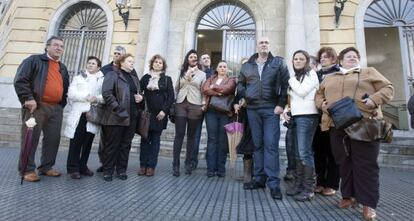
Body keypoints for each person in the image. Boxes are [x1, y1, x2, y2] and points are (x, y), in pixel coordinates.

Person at [315, 47, 394, 220]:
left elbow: (388, 88)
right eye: (348, 56)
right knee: (344, 162)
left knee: (366, 164)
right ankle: (348, 196)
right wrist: (322, 105)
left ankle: (368, 204)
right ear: (340, 60)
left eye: (355, 56)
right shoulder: (329, 77)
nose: (352, 58)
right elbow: (318, 95)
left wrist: (374, 100)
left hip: (364, 124)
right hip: (337, 126)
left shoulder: (368, 72)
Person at [234, 36, 289, 200]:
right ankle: (259, 179)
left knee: (271, 145)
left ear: (269, 45)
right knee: (257, 145)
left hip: (271, 108)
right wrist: (245, 95)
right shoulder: (246, 65)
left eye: (266, 42)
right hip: (252, 109)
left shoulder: (278, 62)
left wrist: (281, 103)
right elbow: (240, 84)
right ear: (257, 46)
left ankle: (274, 184)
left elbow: (285, 84)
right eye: (261, 43)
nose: (264, 45)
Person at [14, 36, 69, 182]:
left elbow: (65, 88)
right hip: (36, 106)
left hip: (56, 108)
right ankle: (27, 170)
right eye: (56, 45)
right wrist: (28, 98)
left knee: (53, 139)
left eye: (61, 46)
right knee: (30, 139)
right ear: (47, 47)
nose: (59, 48)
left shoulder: (62, 68)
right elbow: (20, 80)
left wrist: (61, 104)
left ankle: (46, 167)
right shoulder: (33, 60)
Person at [100, 53, 143, 181]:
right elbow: (106, 93)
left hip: (132, 116)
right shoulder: (112, 74)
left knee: (125, 145)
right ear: (122, 62)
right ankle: (108, 170)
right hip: (116, 116)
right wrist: (117, 108)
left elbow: (138, 94)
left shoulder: (134, 78)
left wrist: (141, 97)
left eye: (133, 62)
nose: (132, 64)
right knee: (112, 144)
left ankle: (121, 170)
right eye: (130, 61)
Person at [284, 50, 319, 201]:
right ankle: (299, 185)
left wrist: (290, 80)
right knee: (297, 153)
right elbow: (292, 99)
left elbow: (303, 91)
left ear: (306, 61)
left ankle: (308, 188)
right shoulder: (296, 77)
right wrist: (286, 110)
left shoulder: (311, 75)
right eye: (295, 59)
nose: (297, 61)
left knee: (305, 152)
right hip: (296, 117)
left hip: (308, 116)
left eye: (301, 59)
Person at [63, 56, 104, 179]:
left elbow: (105, 95)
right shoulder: (78, 78)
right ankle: (72, 168)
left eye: (93, 63)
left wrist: (97, 98)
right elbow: (71, 94)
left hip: (92, 114)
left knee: (87, 142)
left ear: (98, 67)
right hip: (79, 114)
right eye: (89, 63)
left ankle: (83, 166)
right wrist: (86, 97)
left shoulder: (102, 80)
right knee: (76, 141)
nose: (90, 65)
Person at [138, 54, 174, 177]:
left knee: (155, 141)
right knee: (144, 140)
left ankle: (151, 167)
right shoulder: (145, 78)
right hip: (147, 114)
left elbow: (170, 97)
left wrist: (164, 111)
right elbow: (139, 92)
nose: (158, 64)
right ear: (152, 63)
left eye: (160, 63)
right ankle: (143, 165)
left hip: (160, 115)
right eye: (156, 62)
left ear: (163, 66)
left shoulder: (167, 79)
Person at [172, 49, 206, 176]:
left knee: (191, 136)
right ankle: (175, 164)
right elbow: (177, 87)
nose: (193, 58)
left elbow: (203, 90)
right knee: (179, 134)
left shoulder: (202, 74)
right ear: (187, 59)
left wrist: (203, 104)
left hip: (195, 105)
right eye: (191, 57)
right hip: (181, 103)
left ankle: (188, 163)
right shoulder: (182, 72)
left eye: (195, 57)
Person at [313, 47, 341, 196]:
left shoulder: (340, 73)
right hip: (317, 117)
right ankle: (320, 182)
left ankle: (332, 184)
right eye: (321, 57)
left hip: (334, 117)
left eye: (326, 57)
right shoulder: (316, 74)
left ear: (333, 58)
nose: (323, 59)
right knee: (319, 151)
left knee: (333, 152)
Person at [202, 61, 236, 177]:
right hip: (211, 112)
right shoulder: (211, 78)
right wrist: (218, 93)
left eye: (224, 67)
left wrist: (214, 87)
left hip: (225, 113)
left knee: (222, 140)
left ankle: (221, 168)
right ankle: (210, 168)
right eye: (220, 66)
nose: (222, 68)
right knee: (212, 139)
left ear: (227, 69)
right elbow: (205, 89)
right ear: (216, 68)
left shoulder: (231, 80)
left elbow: (228, 89)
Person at [96, 45, 127, 173]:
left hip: (122, 111)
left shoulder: (128, 70)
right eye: (115, 53)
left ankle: (115, 164)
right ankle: (104, 163)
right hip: (106, 109)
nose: (116, 55)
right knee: (105, 139)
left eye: (119, 53)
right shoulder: (105, 69)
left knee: (119, 141)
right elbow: (100, 88)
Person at [191, 53, 215, 170]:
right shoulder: (195, 72)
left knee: (211, 136)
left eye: (208, 58)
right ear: (200, 62)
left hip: (210, 107)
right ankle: (192, 161)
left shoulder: (215, 74)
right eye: (204, 58)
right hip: (197, 105)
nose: (206, 60)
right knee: (195, 135)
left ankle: (210, 163)